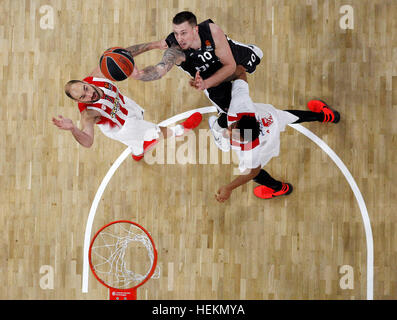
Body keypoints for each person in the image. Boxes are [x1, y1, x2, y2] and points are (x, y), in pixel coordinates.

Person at [133, 11, 263, 151]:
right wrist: (139, 74)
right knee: (226, 112)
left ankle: (246, 50)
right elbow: (160, 70)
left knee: (257, 57)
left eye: (183, 33)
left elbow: (231, 67)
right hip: (211, 77)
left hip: (227, 57)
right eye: (176, 33)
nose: (179, 38)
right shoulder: (176, 50)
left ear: (195, 30)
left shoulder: (212, 31)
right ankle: (217, 129)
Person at [53, 42, 202, 160]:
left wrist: (154, 45)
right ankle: (179, 131)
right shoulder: (88, 113)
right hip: (124, 127)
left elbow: (123, 55)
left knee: (136, 143)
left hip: (126, 106)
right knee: (154, 131)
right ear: (78, 101)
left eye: (86, 88)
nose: (90, 94)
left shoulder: (97, 75)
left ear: (85, 81)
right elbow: (88, 142)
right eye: (83, 97)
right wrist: (73, 129)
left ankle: (137, 153)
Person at [211, 66, 340, 202]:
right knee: (290, 116)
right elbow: (240, 71)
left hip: (266, 144)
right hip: (271, 119)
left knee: (251, 172)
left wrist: (229, 187)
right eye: (232, 128)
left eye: (234, 132)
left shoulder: (251, 149)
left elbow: (253, 171)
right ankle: (326, 116)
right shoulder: (243, 105)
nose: (230, 130)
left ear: (246, 139)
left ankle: (279, 188)